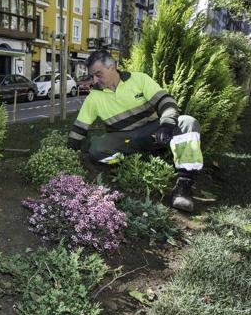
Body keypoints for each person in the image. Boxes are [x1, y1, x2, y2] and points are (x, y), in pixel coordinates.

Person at [68, 50, 203, 212]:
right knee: (96, 148)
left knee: (188, 123)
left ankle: (184, 184)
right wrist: (69, 153)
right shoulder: (94, 97)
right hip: (126, 139)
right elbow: (79, 128)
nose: (95, 80)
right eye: (92, 76)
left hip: (154, 132)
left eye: (98, 74)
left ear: (112, 67)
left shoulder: (139, 79)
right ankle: (131, 163)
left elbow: (165, 101)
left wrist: (167, 123)